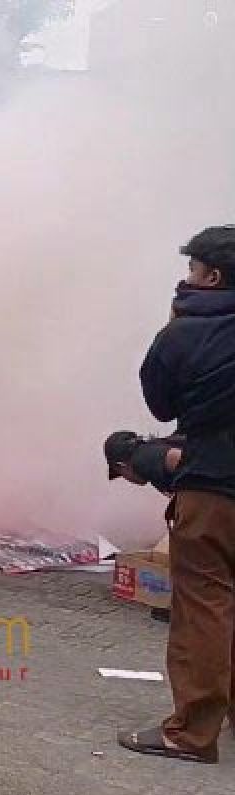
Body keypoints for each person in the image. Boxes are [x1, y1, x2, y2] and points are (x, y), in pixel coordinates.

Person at [118, 225, 235, 763]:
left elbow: (161, 403)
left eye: (193, 269)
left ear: (211, 275)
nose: (186, 278)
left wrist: (176, 323)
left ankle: (190, 733)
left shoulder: (187, 331)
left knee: (204, 607)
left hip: (215, 491)